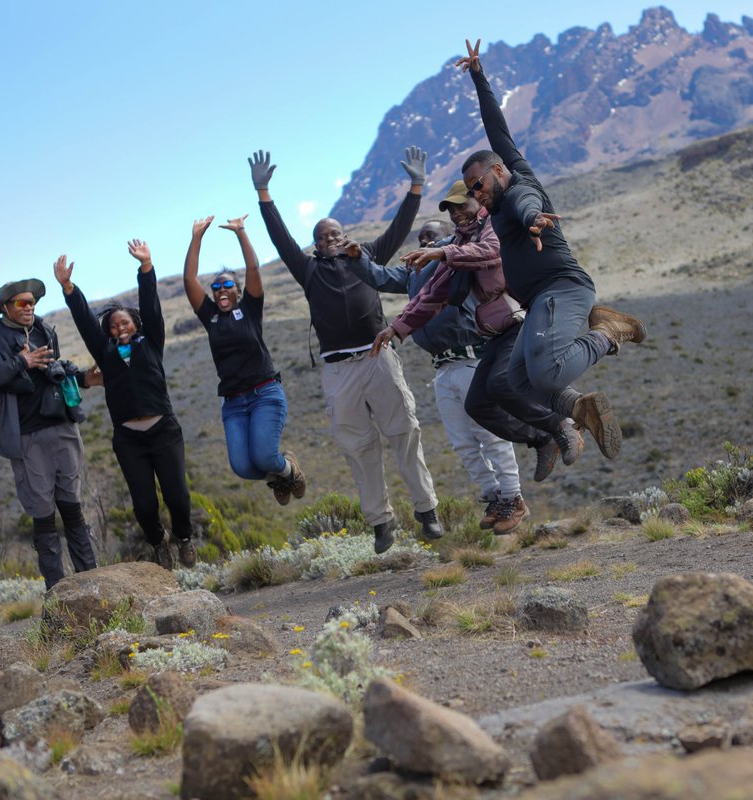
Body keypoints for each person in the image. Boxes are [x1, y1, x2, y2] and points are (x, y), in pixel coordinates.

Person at [456, 39, 647, 459]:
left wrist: (532, 220)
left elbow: (527, 204)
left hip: (562, 288)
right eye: (470, 190)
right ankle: (581, 408)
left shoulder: (519, 189)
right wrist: (478, 77)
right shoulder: (512, 167)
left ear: (498, 172)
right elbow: (497, 130)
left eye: (479, 185)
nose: (476, 194)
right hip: (541, 298)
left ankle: (608, 333)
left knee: (548, 370)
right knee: (516, 382)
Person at [356, 181, 580, 533]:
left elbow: (491, 252)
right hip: (490, 336)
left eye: (463, 205)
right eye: (452, 208)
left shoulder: (491, 229)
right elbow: (431, 296)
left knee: (500, 387)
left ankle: (558, 427)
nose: (458, 212)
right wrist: (395, 329)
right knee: (479, 407)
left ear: (479, 200)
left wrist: (441, 254)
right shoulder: (457, 247)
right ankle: (540, 442)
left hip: (521, 319)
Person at [250, 147, 443, 554]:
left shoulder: (368, 255)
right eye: (322, 237)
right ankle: (381, 521)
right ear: (316, 245)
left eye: (335, 234)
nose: (330, 240)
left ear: (345, 235)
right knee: (358, 447)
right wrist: (264, 193)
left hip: (378, 358)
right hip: (339, 370)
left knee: (404, 432)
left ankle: (427, 512)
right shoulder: (307, 270)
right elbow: (280, 238)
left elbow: (399, 226)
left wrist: (416, 186)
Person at [55, 244, 196, 570]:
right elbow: (85, 320)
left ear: (136, 324)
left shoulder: (152, 342)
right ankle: (158, 541)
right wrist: (68, 288)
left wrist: (146, 266)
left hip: (164, 432)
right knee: (144, 504)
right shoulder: (104, 352)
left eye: (125, 323)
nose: (119, 328)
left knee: (177, 497)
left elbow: (151, 304)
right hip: (129, 438)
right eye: (114, 325)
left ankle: (185, 538)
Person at [0, 278, 98, 590]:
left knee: (72, 507)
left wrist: (85, 379)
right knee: (43, 514)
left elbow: (56, 370)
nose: (29, 308)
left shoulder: (45, 330)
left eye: (32, 302)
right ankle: (57, 592)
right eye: (22, 303)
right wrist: (20, 361)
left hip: (62, 427)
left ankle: (92, 583)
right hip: (26, 436)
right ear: (5, 308)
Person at [184, 214, 306, 508]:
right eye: (216, 287)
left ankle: (289, 469)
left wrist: (241, 232)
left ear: (238, 290)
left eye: (227, 285)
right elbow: (189, 279)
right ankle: (278, 477)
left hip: (264, 393)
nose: (221, 290)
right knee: (243, 467)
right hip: (233, 403)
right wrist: (197, 237)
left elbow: (252, 267)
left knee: (264, 457)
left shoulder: (250, 307)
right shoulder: (209, 316)